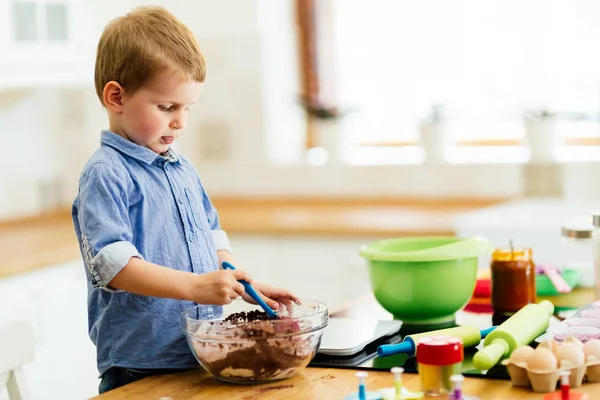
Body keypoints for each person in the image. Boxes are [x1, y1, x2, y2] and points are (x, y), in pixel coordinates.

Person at [71, 6, 298, 394]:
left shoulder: (180, 168)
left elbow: (210, 234)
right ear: (116, 97)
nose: (180, 121)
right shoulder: (107, 173)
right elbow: (114, 266)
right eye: (167, 107)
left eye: (187, 108)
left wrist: (241, 281)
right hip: (140, 363)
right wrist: (196, 287)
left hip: (198, 350)